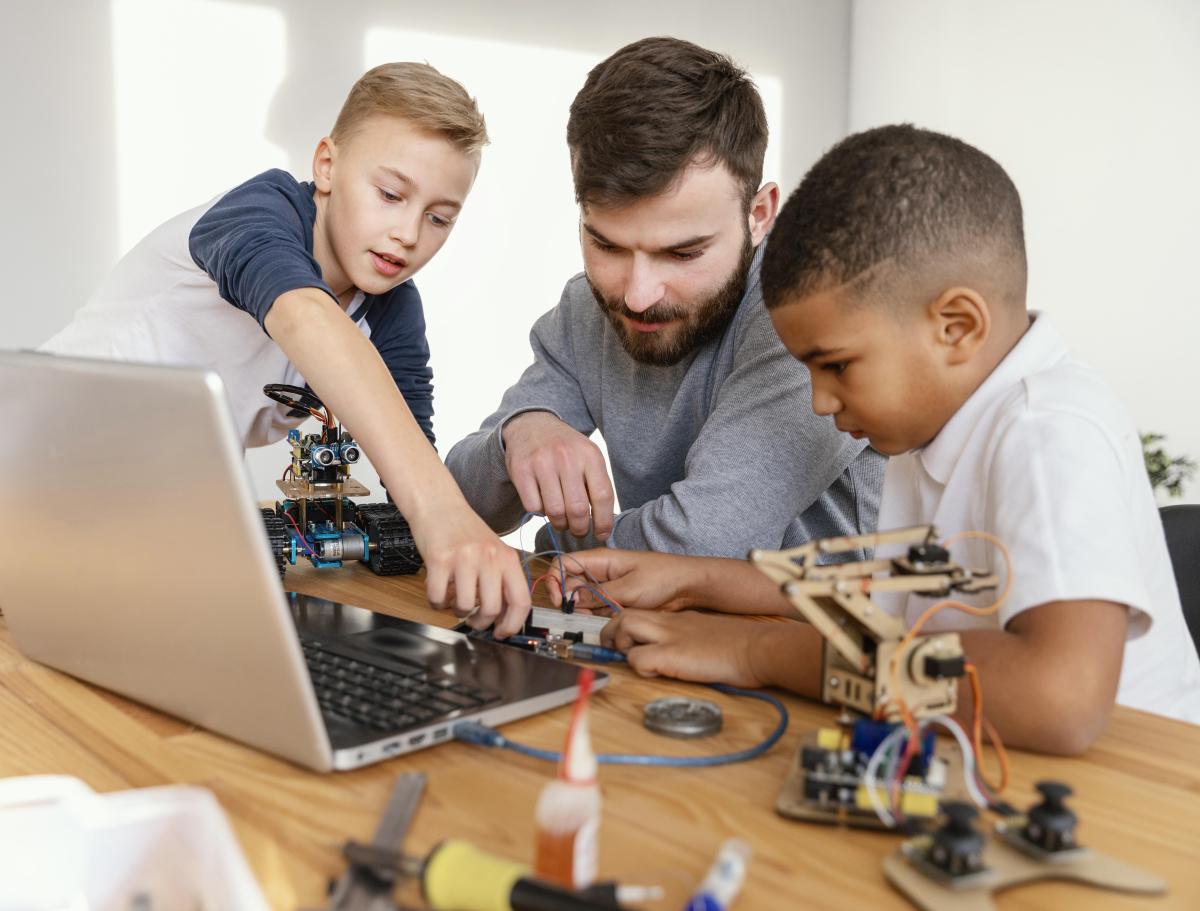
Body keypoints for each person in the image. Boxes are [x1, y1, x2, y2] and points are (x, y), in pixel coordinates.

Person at [557, 124, 1200, 754]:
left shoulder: (1048, 430)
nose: (819, 400)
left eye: (835, 366)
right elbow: (893, 595)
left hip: (1134, 809)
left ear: (956, 326)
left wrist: (759, 651)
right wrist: (693, 579)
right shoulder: (943, 423)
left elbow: (1059, 698)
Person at [40, 63, 531, 634]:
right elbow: (303, 317)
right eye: (391, 194)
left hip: (138, 522)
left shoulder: (390, 307)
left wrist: (464, 539)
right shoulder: (258, 214)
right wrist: (440, 514)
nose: (409, 233)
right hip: (34, 467)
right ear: (326, 165)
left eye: (439, 218)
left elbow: (408, 460)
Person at [445, 37, 884, 557]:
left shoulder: (806, 317)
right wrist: (520, 434)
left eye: (683, 253)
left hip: (819, 633)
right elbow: (456, 501)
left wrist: (556, 547)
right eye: (607, 244)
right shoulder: (587, 308)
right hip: (649, 622)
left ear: (760, 214)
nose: (637, 296)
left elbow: (705, 541)